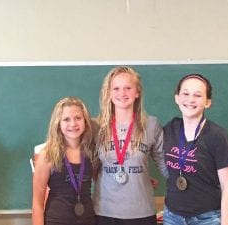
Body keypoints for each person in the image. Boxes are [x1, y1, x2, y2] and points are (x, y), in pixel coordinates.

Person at [93, 66, 168, 225]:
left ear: (137, 92)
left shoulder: (151, 124)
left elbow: (164, 163)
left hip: (142, 212)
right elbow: (90, 166)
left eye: (128, 88)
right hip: (105, 211)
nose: (122, 93)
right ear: (109, 93)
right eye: (116, 88)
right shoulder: (96, 127)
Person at [163, 74, 228, 225]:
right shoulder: (169, 128)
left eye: (197, 95)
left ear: (207, 102)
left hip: (207, 218)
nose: (190, 100)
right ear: (177, 98)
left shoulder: (217, 135)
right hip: (172, 216)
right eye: (185, 93)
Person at [32, 96, 96, 225]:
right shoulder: (47, 155)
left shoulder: (92, 152)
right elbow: (37, 203)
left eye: (78, 118)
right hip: (56, 220)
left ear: (85, 121)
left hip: (88, 220)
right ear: (58, 123)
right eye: (66, 119)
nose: (73, 124)